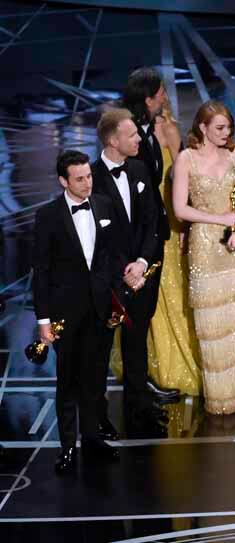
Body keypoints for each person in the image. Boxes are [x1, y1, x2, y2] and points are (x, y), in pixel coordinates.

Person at [171, 100, 235, 415]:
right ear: (202, 127)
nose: (226, 133)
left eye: (228, 127)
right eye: (220, 128)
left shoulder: (233, 153)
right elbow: (180, 209)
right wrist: (220, 221)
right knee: (212, 319)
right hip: (204, 243)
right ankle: (223, 396)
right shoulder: (186, 159)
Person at [34, 150, 124, 474]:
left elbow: (111, 255)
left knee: (95, 378)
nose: (87, 183)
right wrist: (43, 321)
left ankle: (93, 439)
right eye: (80, 178)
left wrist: (117, 298)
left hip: (100, 309)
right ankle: (68, 446)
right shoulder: (47, 216)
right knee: (68, 382)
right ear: (63, 181)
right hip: (65, 314)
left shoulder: (104, 205)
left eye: (89, 176)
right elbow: (41, 271)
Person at [91, 108, 168, 433]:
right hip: (110, 279)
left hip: (143, 272)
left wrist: (142, 263)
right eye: (132, 135)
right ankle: (98, 418)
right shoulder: (89, 178)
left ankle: (139, 409)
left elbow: (153, 221)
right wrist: (124, 269)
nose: (139, 139)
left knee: (137, 344)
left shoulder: (139, 169)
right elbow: (96, 235)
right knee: (100, 347)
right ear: (112, 140)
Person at [121, 66, 179, 401]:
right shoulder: (128, 136)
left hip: (153, 239)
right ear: (148, 98)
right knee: (135, 318)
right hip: (135, 245)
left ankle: (141, 383)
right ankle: (137, 389)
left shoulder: (148, 131)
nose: (165, 99)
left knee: (142, 316)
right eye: (161, 94)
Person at [145, 99, 203, 397]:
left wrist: (184, 225)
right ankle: (152, 370)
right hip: (141, 223)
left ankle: (177, 364)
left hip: (168, 217)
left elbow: (181, 174)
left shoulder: (168, 129)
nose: (163, 98)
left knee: (175, 290)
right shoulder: (130, 131)